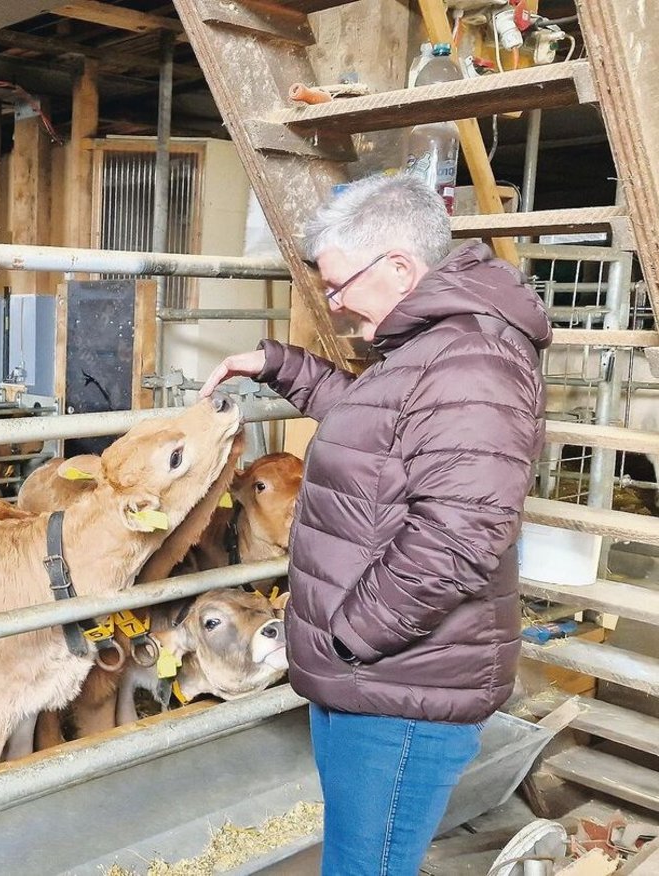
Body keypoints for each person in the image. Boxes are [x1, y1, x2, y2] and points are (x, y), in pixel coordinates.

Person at [201, 173, 550, 875]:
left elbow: (458, 538)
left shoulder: (473, 360)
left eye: (340, 287)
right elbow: (376, 428)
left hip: (400, 686)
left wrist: (352, 634)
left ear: (398, 267)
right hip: (374, 677)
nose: (333, 307)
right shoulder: (437, 349)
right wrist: (280, 365)